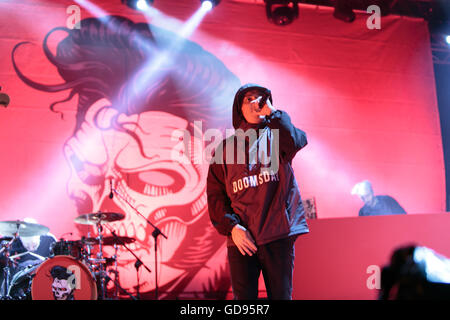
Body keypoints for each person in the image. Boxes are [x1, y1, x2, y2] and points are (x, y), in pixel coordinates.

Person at [207, 83, 309, 300]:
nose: (256, 102)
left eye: (261, 97)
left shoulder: (278, 136)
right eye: (249, 99)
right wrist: (232, 227)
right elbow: (216, 197)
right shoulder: (225, 149)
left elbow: (296, 141)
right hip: (242, 238)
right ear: (239, 109)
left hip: (278, 234)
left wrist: (272, 113)